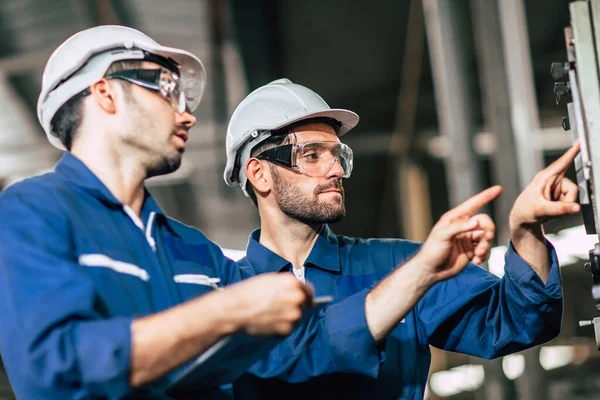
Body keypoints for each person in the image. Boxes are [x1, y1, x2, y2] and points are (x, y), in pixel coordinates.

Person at [0, 27, 385, 399]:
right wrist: (223, 313)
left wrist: (422, 271)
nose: (187, 117)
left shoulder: (195, 251)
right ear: (106, 94)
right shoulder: (33, 212)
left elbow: (297, 352)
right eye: (168, 91)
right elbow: (56, 368)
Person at [223, 78, 579, 399]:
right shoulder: (222, 295)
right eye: (312, 155)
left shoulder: (399, 265)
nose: (335, 170)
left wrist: (526, 230)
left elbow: (518, 320)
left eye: (337, 155)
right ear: (259, 174)